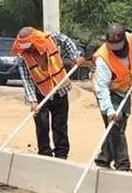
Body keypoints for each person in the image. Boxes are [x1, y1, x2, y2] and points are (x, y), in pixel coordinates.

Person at [12, 26, 85, 159]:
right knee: (42, 125)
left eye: (31, 46)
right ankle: (45, 154)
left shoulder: (51, 38)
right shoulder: (22, 57)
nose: (29, 50)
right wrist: (33, 101)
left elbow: (66, 41)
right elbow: (26, 80)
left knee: (60, 124)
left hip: (59, 89)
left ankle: (61, 154)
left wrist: (75, 56)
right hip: (40, 92)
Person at [92, 23, 132, 172]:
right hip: (108, 92)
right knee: (116, 125)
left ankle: (103, 159)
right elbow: (102, 88)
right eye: (112, 45)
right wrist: (109, 110)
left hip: (124, 88)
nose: (115, 49)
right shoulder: (102, 59)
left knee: (119, 126)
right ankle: (123, 165)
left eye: (118, 45)